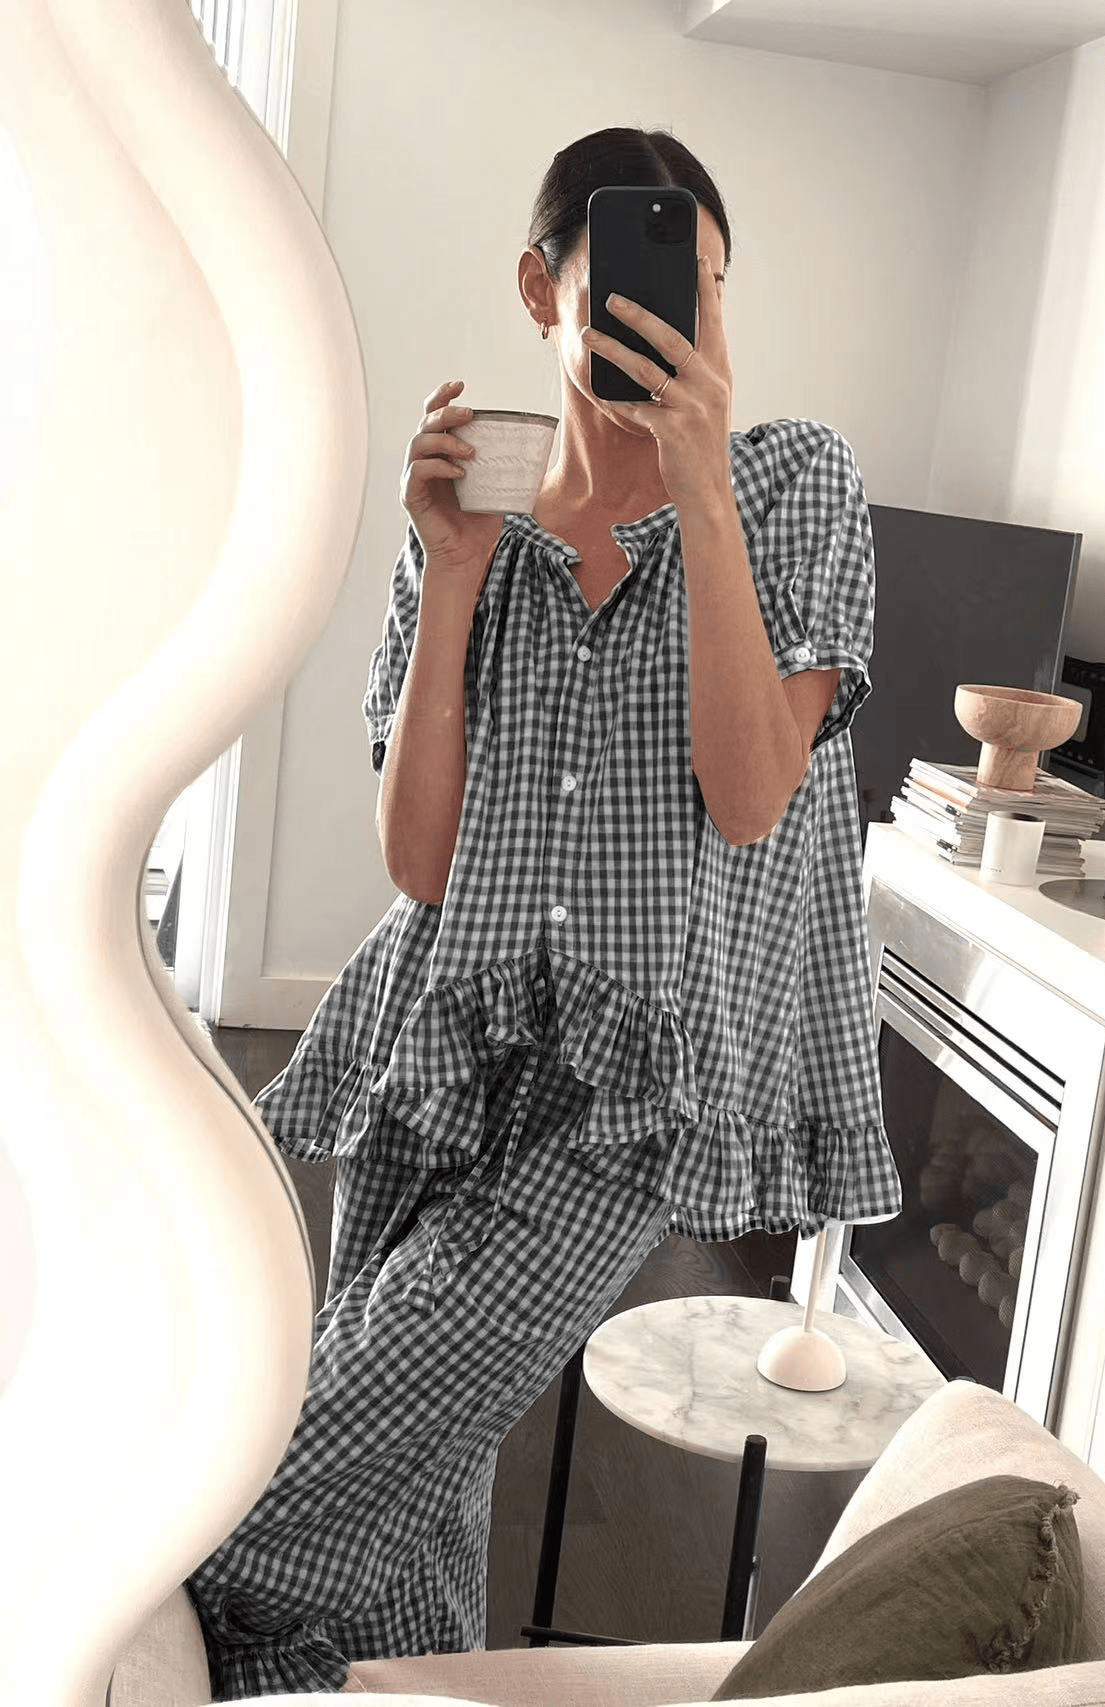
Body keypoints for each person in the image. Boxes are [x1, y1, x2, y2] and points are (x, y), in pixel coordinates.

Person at [185, 125, 901, 1700]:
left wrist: (700, 498)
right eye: (633, 281)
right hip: (437, 1050)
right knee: (413, 1487)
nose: (674, 319)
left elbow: (753, 794)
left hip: (627, 1096)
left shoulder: (791, 482)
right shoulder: (476, 517)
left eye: (703, 288)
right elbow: (422, 862)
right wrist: (448, 571)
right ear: (540, 286)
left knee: (274, 1475)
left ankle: (140, 1621)